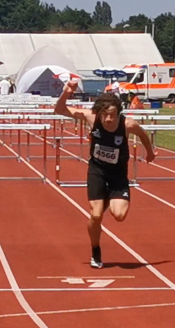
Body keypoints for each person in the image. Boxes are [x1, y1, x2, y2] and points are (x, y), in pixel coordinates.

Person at [54, 79, 156, 268]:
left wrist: (149, 153)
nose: (109, 119)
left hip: (118, 175)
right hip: (97, 171)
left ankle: (108, 198)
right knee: (96, 215)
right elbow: (59, 110)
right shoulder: (91, 118)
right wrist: (66, 92)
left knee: (120, 215)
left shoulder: (128, 124)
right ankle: (95, 250)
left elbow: (143, 135)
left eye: (112, 115)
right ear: (99, 112)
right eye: (105, 115)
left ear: (118, 113)